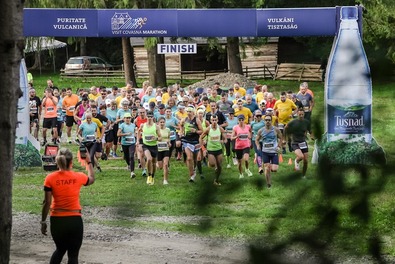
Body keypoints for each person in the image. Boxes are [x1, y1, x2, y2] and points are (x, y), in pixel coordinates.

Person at [41, 148, 95, 264]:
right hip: (74, 219)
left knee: (60, 250)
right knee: (73, 255)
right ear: (71, 162)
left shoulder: (50, 178)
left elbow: (47, 202)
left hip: (57, 220)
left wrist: (43, 222)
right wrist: (88, 162)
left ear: (57, 161)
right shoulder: (78, 176)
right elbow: (91, 179)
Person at [255, 114, 282, 189]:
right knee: (267, 168)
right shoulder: (261, 130)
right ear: (264, 121)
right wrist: (258, 145)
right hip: (265, 152)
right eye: (266, 120)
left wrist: (279, 146)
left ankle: (270, 168)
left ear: (271, 121)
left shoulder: (276, 129)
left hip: (274, 152)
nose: (267, 121)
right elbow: (257, 139)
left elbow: (281, 138)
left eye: (269, 120)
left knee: (274, 169)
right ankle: (268, 184)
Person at [200, 115, 226, 186]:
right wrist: (203, 149)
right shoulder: (208, 129)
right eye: (213, 120)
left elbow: (224, 137)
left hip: (218, 149)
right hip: (210, 149)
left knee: (219, 167)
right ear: (211, 121)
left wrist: (224, 140)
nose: (214, 122)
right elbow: (200, 138)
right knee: (213, 164)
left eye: (215, 120)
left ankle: (216, 180)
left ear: (217, 121)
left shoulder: (220, 128)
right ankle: (210, 162)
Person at [284, 108, 310, 178]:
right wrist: (285, 138)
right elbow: (286, 128)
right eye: (299, 114)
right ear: (297, 114)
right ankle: (296, 161)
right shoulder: (293, 122)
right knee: (301, 156)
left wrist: (312, 135)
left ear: (304, 114)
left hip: (303, 142)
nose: (301, 116)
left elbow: (309, 129)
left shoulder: (306, 122)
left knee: (306, 161)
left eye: (302, 114)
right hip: (295, 142)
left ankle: (303, 175)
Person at [179, 106, 203, 182]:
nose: (189, 113)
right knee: (189, 158)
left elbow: (201, 131)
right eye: (187, 111)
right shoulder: (184, 120)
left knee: (195, 159)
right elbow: (181, 126)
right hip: (186, 141)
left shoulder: (197, 120)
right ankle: (191, 175)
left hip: (195, 142)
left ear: (193, 112)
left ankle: (195, 168)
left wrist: (195, 131)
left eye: (190, 112)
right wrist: (181, 132)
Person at [138, 111, 162, 185]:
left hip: (154, 146)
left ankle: (153, 176)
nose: (149, 118)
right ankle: (149, 175)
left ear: (153, 117)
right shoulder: (143, 125)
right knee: (149, 159)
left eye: (151, 117)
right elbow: (138, 131)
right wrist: (138, 141)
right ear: (146, 117)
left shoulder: (156, 126)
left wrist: (156, 138)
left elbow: (160, 137)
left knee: (154, 163)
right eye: (148, 117)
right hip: (146, 145)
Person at [231, 114, 253, 179]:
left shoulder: (248, 127)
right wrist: (236, 136)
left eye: (242, 120)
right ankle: (241, 174)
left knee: (246, 159)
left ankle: (247, 169)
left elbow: (251, 132)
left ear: (244, 120)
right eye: (239, 120)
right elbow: (232, 137)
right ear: (238, 121)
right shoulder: (235, 128)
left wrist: (250, 137)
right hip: (238, 146)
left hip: (246, 145)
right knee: (239, 162)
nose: (241, 121)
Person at [117, 112, 137, 179]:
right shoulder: (122, 125)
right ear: (124, 119)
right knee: (126, 156)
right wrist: (125, 134)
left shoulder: (133, 125)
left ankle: (132, 172)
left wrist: (136, 135)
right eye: (126, 118)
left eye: (129, 118)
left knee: (131, 156)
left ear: (130, 118)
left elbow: (135, 133)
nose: (128, 119)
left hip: (132, 143)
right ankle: (129, 164)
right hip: (124, 143)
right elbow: (118, 134)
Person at [156, 117, 171, 185]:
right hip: (158, 149)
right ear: (158, 123)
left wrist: (169, 143)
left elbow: (168, 138)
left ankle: (165, 180)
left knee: (165, 164)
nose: (162, 123)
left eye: (163, 122)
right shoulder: (156, 130)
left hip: (166, 149)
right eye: (161, 122)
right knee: (160, 166)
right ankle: (156, 164)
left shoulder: (168, 129)